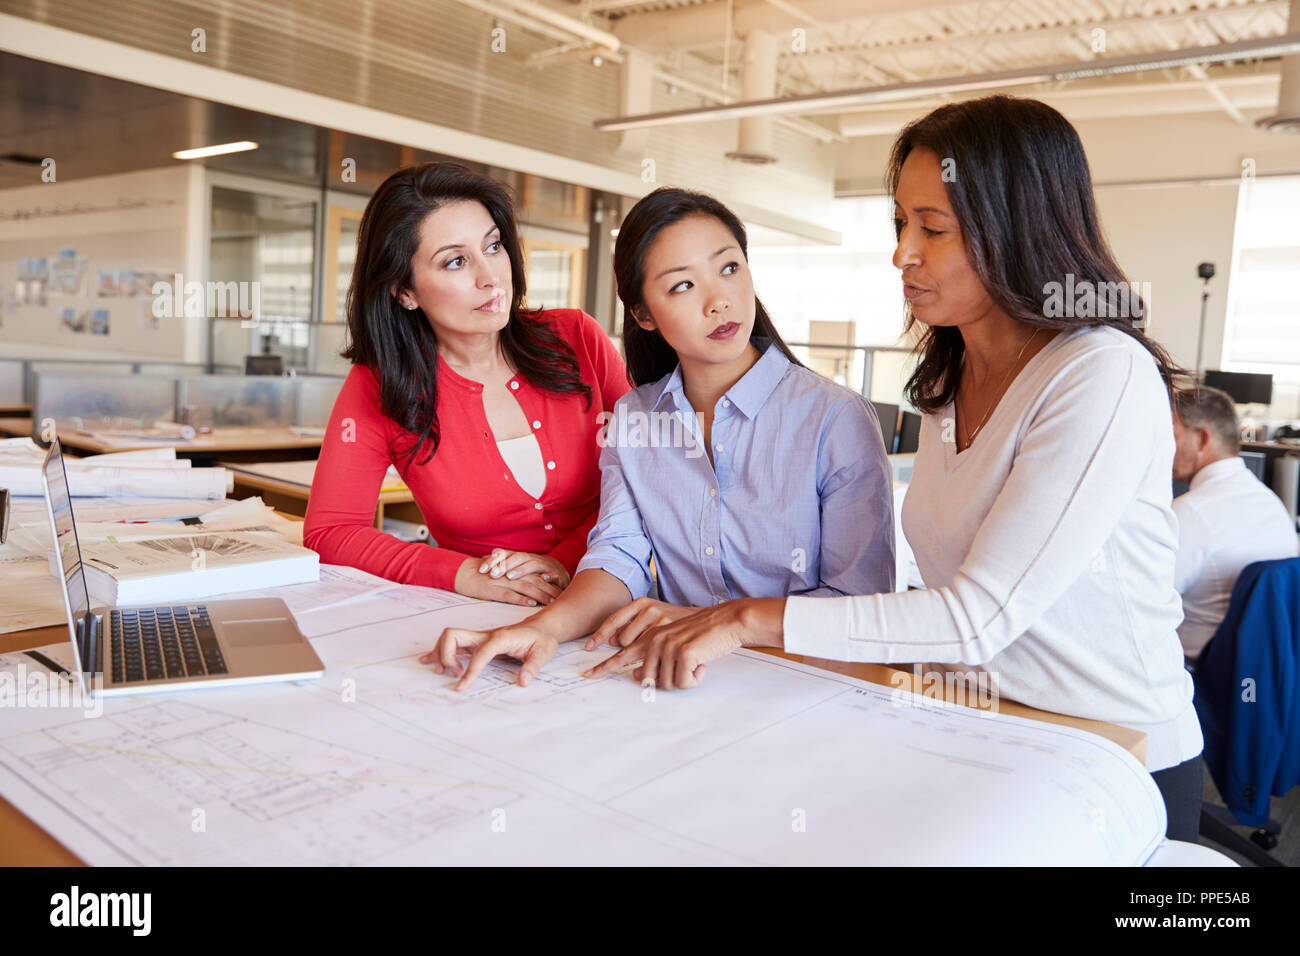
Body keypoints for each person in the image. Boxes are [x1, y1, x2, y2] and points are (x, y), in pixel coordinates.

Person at [584, 96, 1206, 841]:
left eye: (932, 228)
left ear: (1019, 228)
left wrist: (741, 619)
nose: (902, 252)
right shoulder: (949, 382)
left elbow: (977, 617)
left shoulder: (1099, 374)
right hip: (982, 727)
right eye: (900, 224)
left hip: (1112, 748)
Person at [420, 187, 895, 689]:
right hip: (675, 679)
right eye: (682, 286)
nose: (719, 301)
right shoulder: (634, 416)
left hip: (807, 685)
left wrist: (718, 625)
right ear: (644, 315)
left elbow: (860, 608)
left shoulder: (834, 419)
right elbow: (617, 556)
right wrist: (541, 629)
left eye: (729, 268)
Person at [303, 162, 629, 607]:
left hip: (609, 593)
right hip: (479, 613)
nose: (490, 275)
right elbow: (331, 531)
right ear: (405, 291)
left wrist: (566, 561)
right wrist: (461, 572)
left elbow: (650, 474)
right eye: (456, 261)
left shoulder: (577, 338)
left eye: (493, 246)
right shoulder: (381, 384)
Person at [1171, 385, 1297, 659]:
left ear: (1202, 439)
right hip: (1254, 673)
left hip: (1197, 676)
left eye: (1172, 435)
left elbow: (1144, 603)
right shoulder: (1272, 504)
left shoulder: (1191, 513)